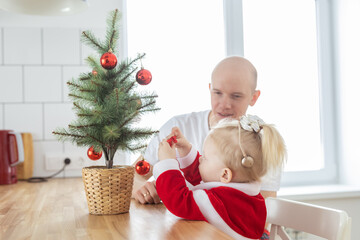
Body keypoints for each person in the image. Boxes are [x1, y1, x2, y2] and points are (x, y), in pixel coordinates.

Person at [132, 56, 269, 204]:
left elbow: (265, 211)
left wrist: (167, 166)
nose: (225, 104)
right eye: (217, 93)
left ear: (253, 97)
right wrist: (143, 190)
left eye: (236, 96)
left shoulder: (260, 145)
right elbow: (132, 177)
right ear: (210, 89)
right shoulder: (178, 127)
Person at [153, 115, 286, 239]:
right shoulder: (243, 195)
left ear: (225, 174)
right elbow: (204, 178)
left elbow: (179, 201)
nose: (200, 160)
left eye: (205, 157)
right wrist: (186, 150)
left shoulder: (221, 202)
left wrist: (167, 162)